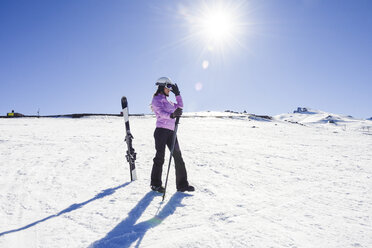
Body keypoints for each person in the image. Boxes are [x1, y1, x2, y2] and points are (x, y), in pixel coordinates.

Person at [150, 77, 194, 193]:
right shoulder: (156, 99)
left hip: (171, 132)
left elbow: (180, 106)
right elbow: (159, 112)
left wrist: (178, 94)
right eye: (168, 88)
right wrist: (172, 115)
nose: (169, 90)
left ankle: (182, 185)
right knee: (160, 157)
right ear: (162, 87)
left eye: (171, 88)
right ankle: (155, 184)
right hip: (161, 131)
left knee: (178, 156)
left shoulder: (169, 101)